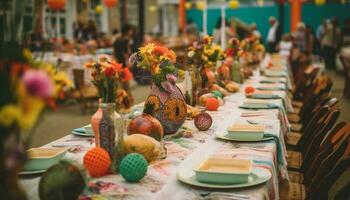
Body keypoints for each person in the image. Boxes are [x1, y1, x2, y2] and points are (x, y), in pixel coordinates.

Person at [113, 24, 134, 102]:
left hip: (117, 62)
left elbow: (114, 52)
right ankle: (128, 100)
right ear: (128, 31)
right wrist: (128, 62)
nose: (132, 32)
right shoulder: (126, 40)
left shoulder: (117, 39)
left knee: (120, 83)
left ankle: (122, 99)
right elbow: (126, 52)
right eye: (131, 30)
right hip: (123, 62)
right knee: (126, 84)